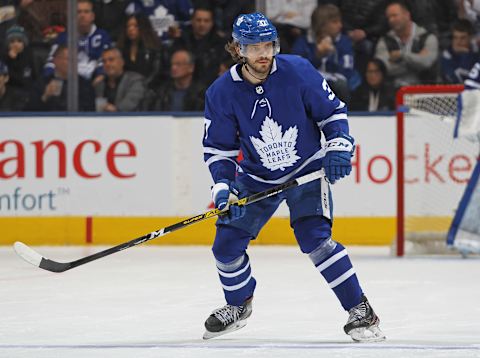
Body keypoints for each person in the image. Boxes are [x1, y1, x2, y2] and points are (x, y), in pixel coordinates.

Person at [201, 12, 385, 342]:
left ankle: (361, 309)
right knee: (225, 246)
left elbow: (332, 113)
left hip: (307, 170)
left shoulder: (297, 70)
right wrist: (223, 188)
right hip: (257, 177)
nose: (263, 54)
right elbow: (219, 149)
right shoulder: (220, 92)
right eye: (254, 46)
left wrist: (339, 145)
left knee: (314, 237)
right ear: (238, 49)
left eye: (268, 45)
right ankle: (238, 304)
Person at [291, 4, 361, 103]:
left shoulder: (344, 42)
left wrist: (331, 60)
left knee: (341, 85)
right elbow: (296, 71)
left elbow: (347, 70)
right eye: (335, 22)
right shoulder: (303, 42)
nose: (340, 25)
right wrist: (317, 56)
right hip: (310, 84)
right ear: (322, 25)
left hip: (335, 84)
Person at [43, 0, 112, 84]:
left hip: (94, 82)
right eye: (78, 12)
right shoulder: (63, 37)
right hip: (67, 81)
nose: (82, 15)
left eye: (86, 12)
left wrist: (100, 76)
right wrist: (50, 79)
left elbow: (105, 61)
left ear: (92, 16)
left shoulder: (102, 36)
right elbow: (51, 62)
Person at [374, 0, 439, 88]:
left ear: (407, 15)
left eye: (394, 15)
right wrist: (416, 61)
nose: (391, 20)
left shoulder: (427, 38)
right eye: (389, 17)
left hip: (423, 91)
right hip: (392, 93)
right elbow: (382, 68)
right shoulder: (384, 41)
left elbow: (426, 62)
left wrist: (401, 56)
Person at [27, 45, 95, 111]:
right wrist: (45, 96)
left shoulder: (85, 85)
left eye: (75, 60)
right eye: (68, 59)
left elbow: (90, 112)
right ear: (55, 60)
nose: (73, 63)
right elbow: (29, 112)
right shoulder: (42, 83)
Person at [94, 47, 146, 112]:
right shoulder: (100, 84)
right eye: (104, 61)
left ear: (122, 62)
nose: (107, 64)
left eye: (111, 60)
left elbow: (131, 103)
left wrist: (115, 110)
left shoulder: (135, 80)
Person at [441, 19, 479, 84]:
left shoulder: (477, 52)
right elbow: (459, 81)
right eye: (455, 37)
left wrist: (466, 54)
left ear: (470, 38)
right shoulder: (447, 55)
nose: (458, 42)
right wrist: (465, 54)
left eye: (463, 38)